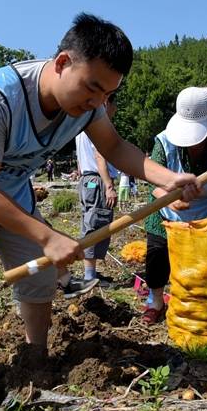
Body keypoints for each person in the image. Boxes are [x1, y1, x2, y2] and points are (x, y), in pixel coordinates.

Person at [0, 13, 201, 411]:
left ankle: (37, 357)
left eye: (106, 94)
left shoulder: (87, 109)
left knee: (39, 279)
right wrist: (49, 235)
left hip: (11, 187)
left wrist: (168, 179)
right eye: (91, 87)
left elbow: (117, 147)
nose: (95, 102)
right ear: (61, 62)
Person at [142, 87, 207, 325]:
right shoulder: (164, 142)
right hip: (166, 212)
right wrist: (170, 199)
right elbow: (153, 183)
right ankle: (156, 302)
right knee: (158, 257)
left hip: (206, 215)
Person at [70, 94, 119, 293]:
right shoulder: (98, 126)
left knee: (89, 221)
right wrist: (109, 185)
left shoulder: (80, 126)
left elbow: (82, 161)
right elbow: (100, 155)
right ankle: (89, 276)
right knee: (96, 224)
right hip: (97, 180)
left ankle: (91, 272)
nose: (115, 110)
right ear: (107, 103)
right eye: (114, 105)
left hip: (86, 180)